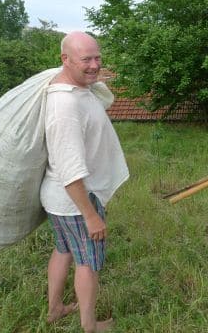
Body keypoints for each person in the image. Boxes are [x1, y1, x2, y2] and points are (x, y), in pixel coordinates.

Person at [40, 31, 129, 332]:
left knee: (64, 250)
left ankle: (55, 309)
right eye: (86, 59)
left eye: (97, 58)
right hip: (77, 199)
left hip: (59, 199)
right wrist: (91, 216)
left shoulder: (76, 88)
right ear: (65, 60)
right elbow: (70, 169)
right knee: (87, 263)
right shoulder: (65, 106)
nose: (94, 65)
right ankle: (90, 326)